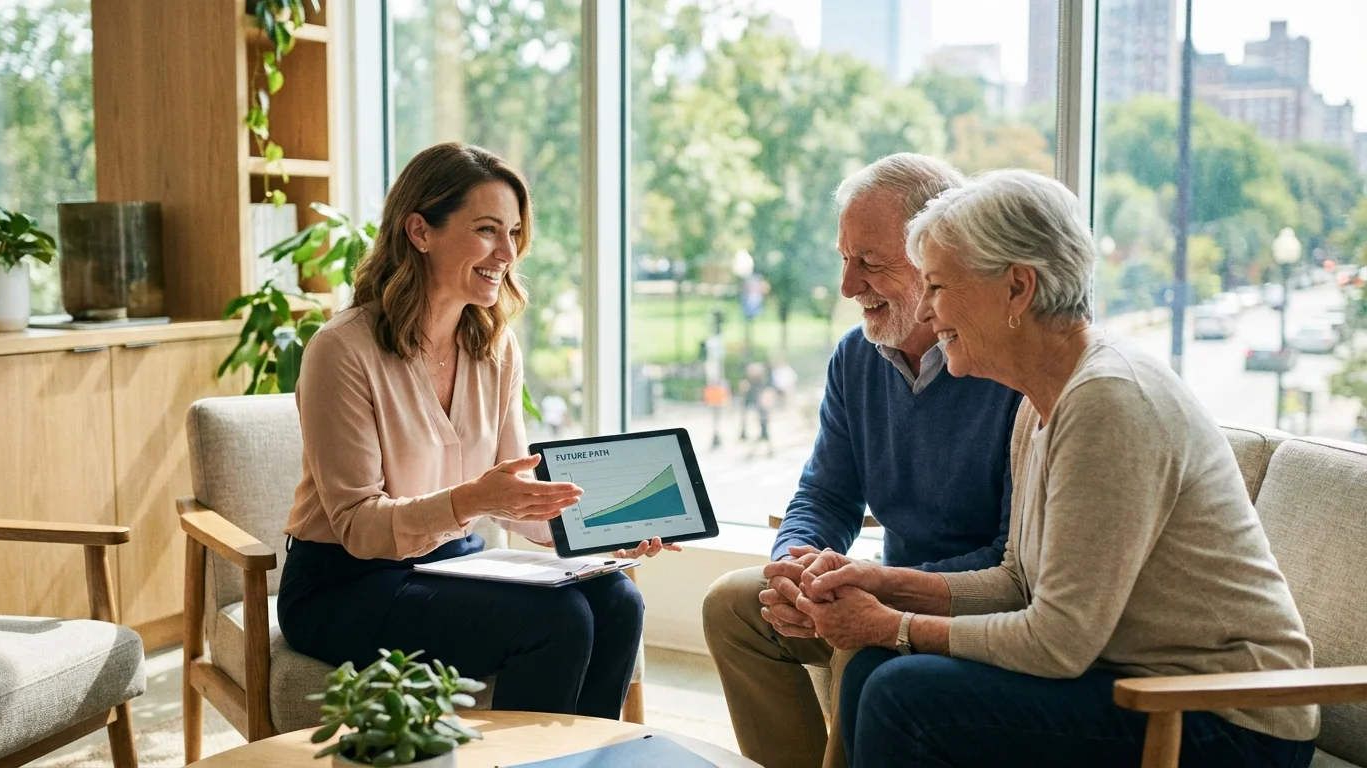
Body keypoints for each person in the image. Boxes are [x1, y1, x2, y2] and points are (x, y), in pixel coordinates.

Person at [798, 169, 1316, 767]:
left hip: (1223, 715)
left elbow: (1058, 641)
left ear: (1017, 288)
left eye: (937, 286)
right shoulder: (1040, 399)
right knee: (872, 668)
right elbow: (1017, 582)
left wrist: (893, 626)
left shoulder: (1109, 399)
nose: (928, 312)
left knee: (900, 694)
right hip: (1124, 682)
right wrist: (880, 582)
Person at [276, 142, 671, 719]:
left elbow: (517, 497)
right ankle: (523, 761)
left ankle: (577, 759)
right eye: (487, 230)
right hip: (344, 585)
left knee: (617, 601)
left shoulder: (494, 346)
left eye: (513, 233)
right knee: (556, 620)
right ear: (420, 231)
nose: (507, 253)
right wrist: (471, 500)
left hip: (452, 564)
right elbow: (358, 527)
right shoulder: (341, 350)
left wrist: (605, 530)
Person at [701, 154, 1024, 768]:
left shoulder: (1010, 371)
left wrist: (876, 592)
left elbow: (1013, 564)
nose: (848, 286)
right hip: (881, 583)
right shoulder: (856, 357)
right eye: (844, 259)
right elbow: (825, 495)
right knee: (732, 604)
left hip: (963, 605)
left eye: (871, 263)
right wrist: (795, 562)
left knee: (859, 638)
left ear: (937, 257)